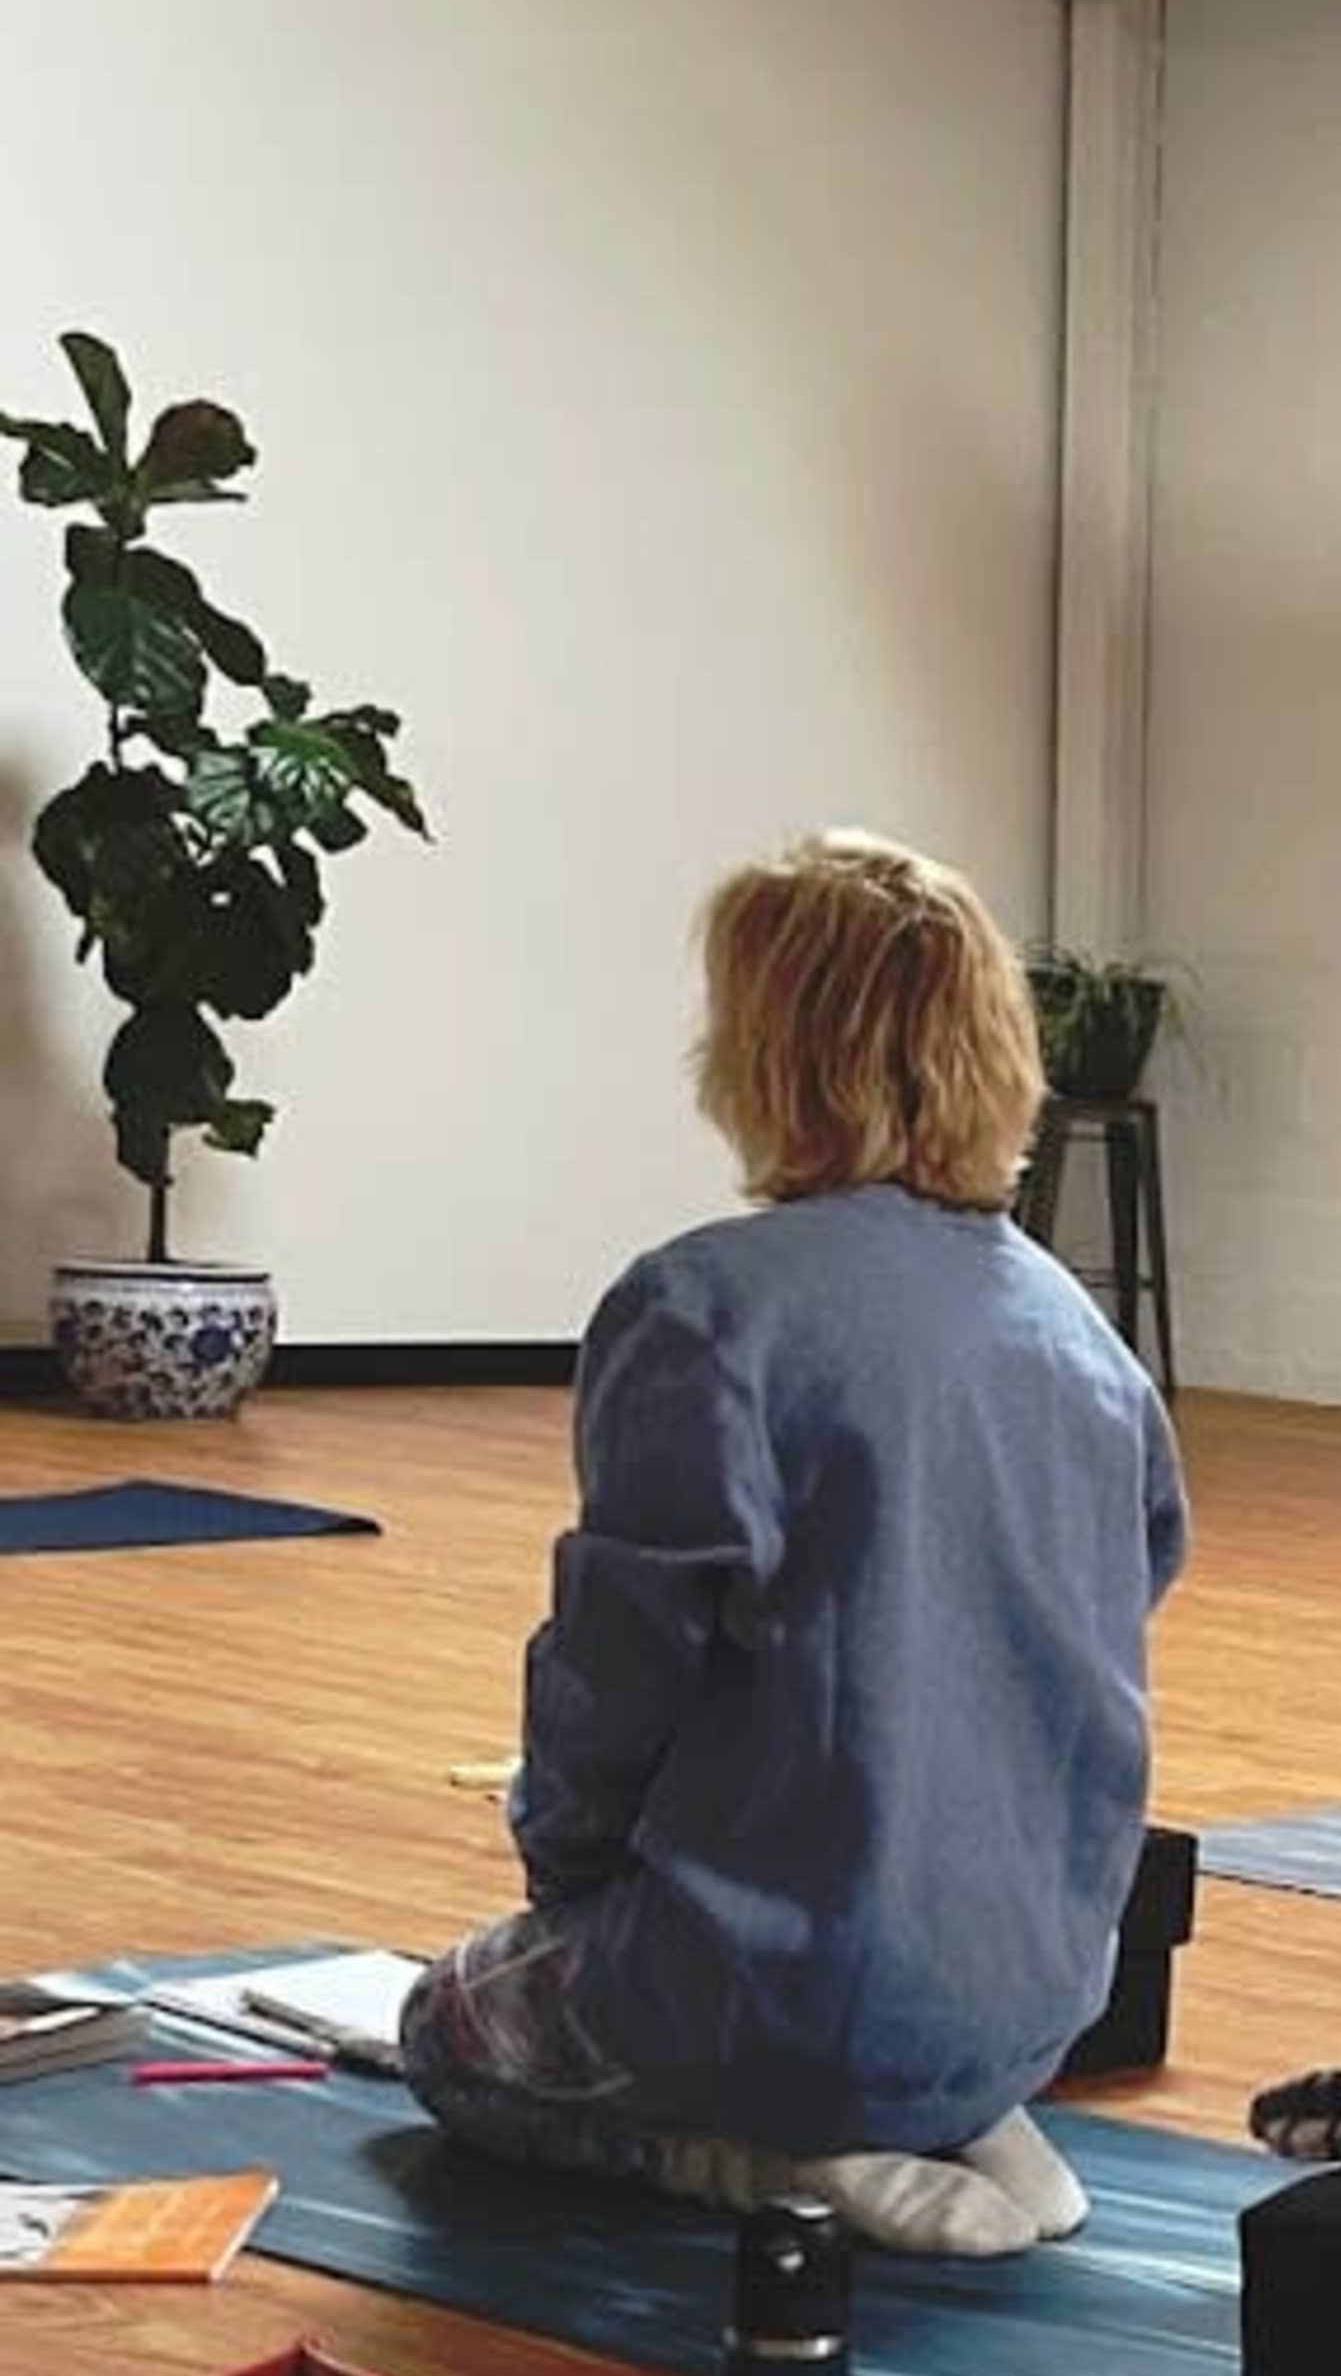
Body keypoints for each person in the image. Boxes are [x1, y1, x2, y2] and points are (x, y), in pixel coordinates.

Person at [402, 831, 1189, 2257]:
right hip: (1038, 1996)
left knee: (448, 2027)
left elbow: (615, 1669)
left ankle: (770, 2164)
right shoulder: (1084, 1341)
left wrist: (565, 1875)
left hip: (783, 1991)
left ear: (769, 1051)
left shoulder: (704, 1308)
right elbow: (1129, 1587)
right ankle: (959, 2110)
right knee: (851, 1962)